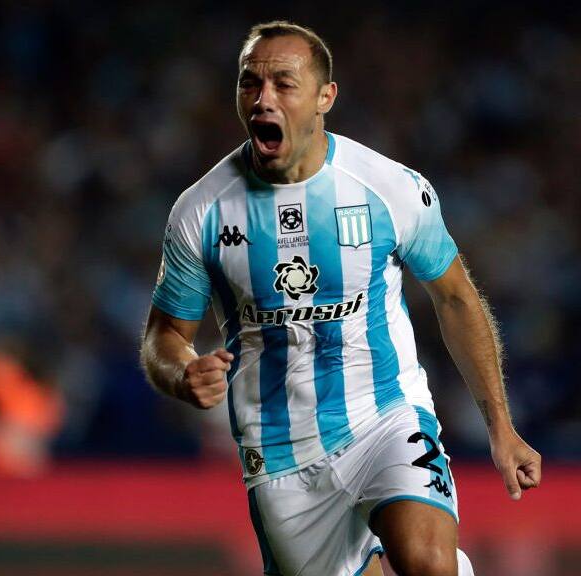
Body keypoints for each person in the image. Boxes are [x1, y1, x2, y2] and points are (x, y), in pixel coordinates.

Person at [140, 20, 541, 576]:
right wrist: (183, 372)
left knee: (429, 564)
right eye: (249, 83)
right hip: (278, 451)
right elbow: (164, 337)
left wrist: (501, 427)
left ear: (325, 96)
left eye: (283, 83)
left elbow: (455, 297)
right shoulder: (202, 210)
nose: (263, 99)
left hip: (385, 416)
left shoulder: (386, 186)